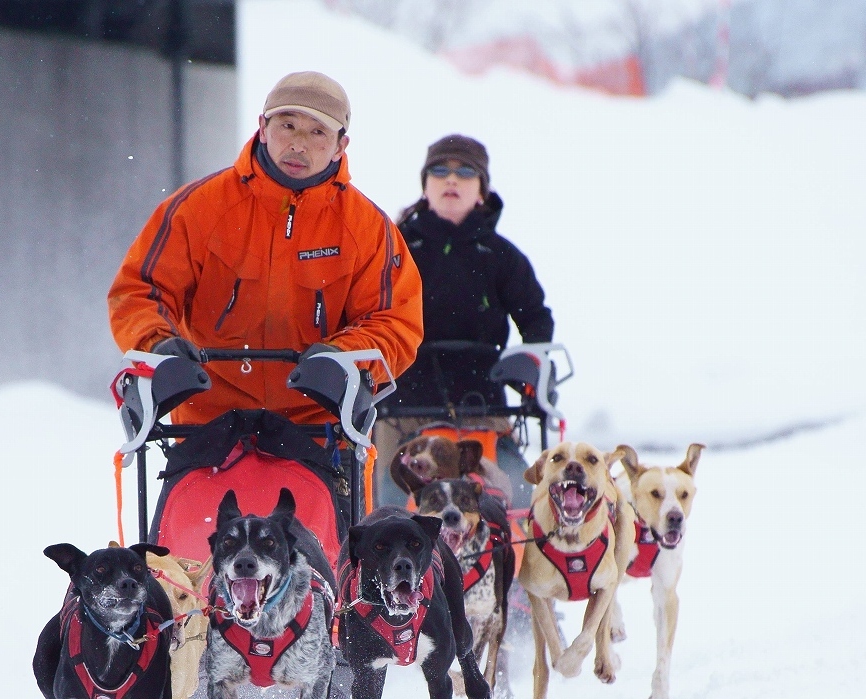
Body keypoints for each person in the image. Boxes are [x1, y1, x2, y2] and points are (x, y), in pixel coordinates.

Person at [108, 71, 422, 428]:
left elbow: (395, 321)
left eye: (317, 131)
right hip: (205, 420)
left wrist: (342, 358)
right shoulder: (197, 208)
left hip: (318, 427)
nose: (299, 144)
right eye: (287, 125)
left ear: (340, 146)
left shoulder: (368, 228)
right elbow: (139, 292)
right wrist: (158, 346)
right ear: (262, 126)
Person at [375, 134, 555, 505]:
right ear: (425, 186)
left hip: (483, 410)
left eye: (465, 171)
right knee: (387, 505)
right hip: (402, 409)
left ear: (482, 190)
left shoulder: (503, 257)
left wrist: (530, 368)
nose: (451, 179)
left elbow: (536, 319)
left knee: (520, 499)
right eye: (440, 170)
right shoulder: (393, 249)